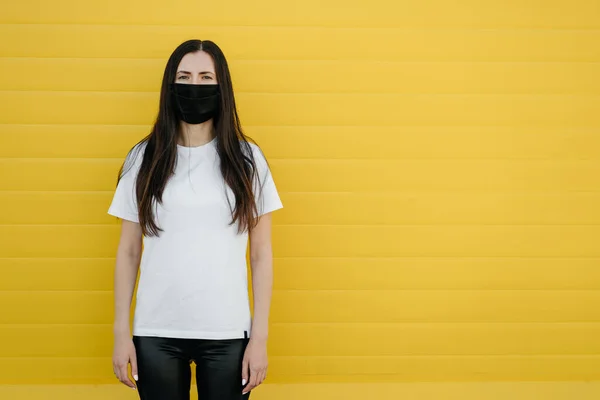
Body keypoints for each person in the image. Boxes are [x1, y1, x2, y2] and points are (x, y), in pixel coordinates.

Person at [108, 39, 283, 400]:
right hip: (156, 331)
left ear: (222, 87)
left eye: (206, 77)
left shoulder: (248, 159)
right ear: (170, 86)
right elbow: (128, 251)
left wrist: (259, 338)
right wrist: (121, 333)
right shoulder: (143, 158)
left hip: (228, 334)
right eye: (184, 76)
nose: (195, 85)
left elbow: (261, 254)